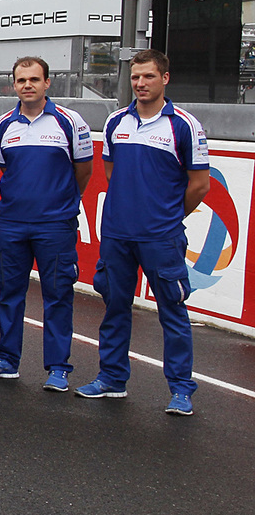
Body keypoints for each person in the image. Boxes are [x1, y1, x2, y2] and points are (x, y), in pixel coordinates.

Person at [79, 50, 210, 414]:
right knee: (114, 308)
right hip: (118, 235)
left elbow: (199, 186)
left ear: (164, 79)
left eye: (148, 76)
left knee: (172, 310)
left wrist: (166, 217)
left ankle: (181, 390)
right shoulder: (116, 121)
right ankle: (112, 379)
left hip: (161, 238)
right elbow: (111, 173)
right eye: (135, 77)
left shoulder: (184, 125)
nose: (140, 83)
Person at [0, 56, 92, 387]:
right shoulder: (3, 126)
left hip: (55, 225)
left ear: (47, 83)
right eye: (21, 80)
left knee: (57, 295)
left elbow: (83, 171)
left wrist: (61, 203)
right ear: (13, 85)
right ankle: (6, 359)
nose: (27, 85)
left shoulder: (70, 122)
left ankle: (58, 367)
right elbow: (5, 170)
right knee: (9, 293)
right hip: (13, 223)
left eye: (34, 79)